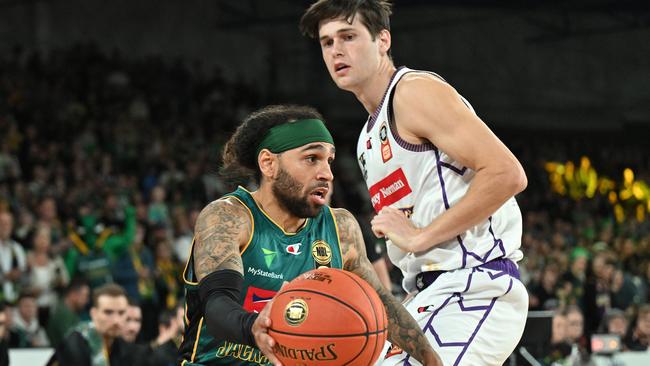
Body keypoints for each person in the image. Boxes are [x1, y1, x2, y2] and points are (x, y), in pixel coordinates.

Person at [301, 1, 529, 365]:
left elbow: (507, 174)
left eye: (348, 36)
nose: (336, 51)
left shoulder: (412, 92)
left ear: (383, 40)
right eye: (327, 43)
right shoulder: (367, 139)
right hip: (428, 294)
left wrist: (421, 236)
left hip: (473, 287)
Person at [178, 104, 441, 365]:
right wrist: (252, 328)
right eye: (311, 159)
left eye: (329, 160)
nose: (326, 173)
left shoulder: (341, 228)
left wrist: (429, 358)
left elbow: (381, 306)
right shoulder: (229, 217)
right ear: (269, 164)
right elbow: (217, 304)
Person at [49, 283, 133, 365]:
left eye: (121, 313)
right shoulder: (75, 345)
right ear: (94, 314)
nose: (116, 321)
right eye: (108, 312)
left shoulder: (121, 344)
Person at [46, 277, 90, 347]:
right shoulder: (63, 313)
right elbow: (71, 341)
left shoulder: (70, 311)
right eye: (85, 296)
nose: (86, 301)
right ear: (73, 295)